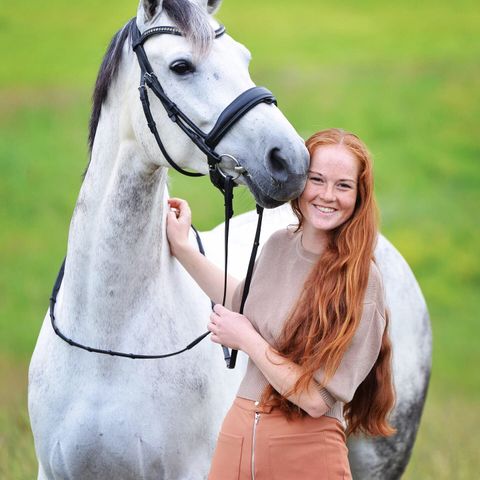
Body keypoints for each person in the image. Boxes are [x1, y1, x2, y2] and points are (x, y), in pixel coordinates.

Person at [166, 128, 396, 480]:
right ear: (299, 184)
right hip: (237, 440)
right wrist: (183, 247)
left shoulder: (363, 281)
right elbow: (242, 301)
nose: (328, 195)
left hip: (307, 454)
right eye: (317, 180)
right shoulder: (278, 245)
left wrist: (247, 340)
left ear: (360, 195)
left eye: (344, 185)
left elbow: (316, 400)